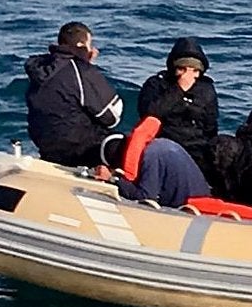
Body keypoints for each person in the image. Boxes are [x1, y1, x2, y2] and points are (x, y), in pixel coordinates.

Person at [24, 21, 124, 166]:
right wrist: (88, 67)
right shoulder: (81, 71)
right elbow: (111, 118)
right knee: (122, 145)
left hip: (46, 146)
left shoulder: (42, 67)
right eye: (90, 45)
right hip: (78, 149)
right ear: (81, 46)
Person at [137, 37, 219, 174]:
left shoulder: (206, 89)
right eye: (182, 69)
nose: (188, 75)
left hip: (196, 150)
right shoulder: (157, 84)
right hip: (164, 144)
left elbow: (211, 127)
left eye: (194, 70)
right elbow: (149, 113)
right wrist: (178, 90)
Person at [97, 126, 209, 209]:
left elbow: (146, 197)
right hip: (199, 193)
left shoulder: (151, 157)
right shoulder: (159, 145)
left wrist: (113, 179)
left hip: (192, 207)